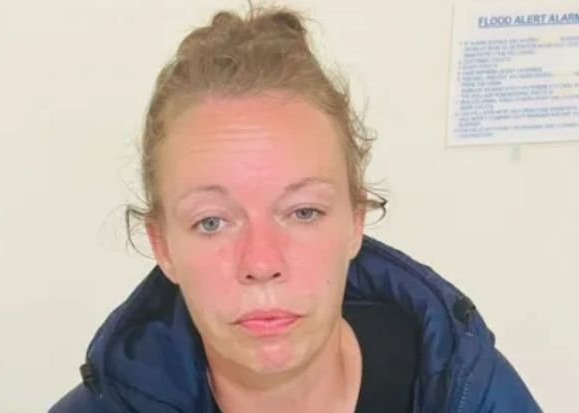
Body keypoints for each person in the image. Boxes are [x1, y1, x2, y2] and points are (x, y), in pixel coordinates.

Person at [50, 5, 541, 413]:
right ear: (164, 247)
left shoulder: (468, 393)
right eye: (212, 222)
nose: (262, 263)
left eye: (303, 212)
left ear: (356, 221)